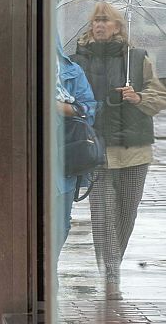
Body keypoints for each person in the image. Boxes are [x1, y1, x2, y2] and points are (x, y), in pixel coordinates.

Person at [71, 1, 166, 300]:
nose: (99, 25)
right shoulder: (77, 61)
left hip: (134, 151)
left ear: (117, 27)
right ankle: (111, 272)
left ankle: (113, 263)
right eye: (96, 20)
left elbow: (159, 97)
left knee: (127, 212)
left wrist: (137, 97)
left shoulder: (137, 59)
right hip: (94, 149)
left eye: (106, 20)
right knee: (102, 214)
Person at [54, 39, 96, 257]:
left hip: (65, 159)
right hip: (28, 161)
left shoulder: (72, 72)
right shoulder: (19, 71)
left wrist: (65, 109)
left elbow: (90, 109)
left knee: (61, 225)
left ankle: (49, 268)